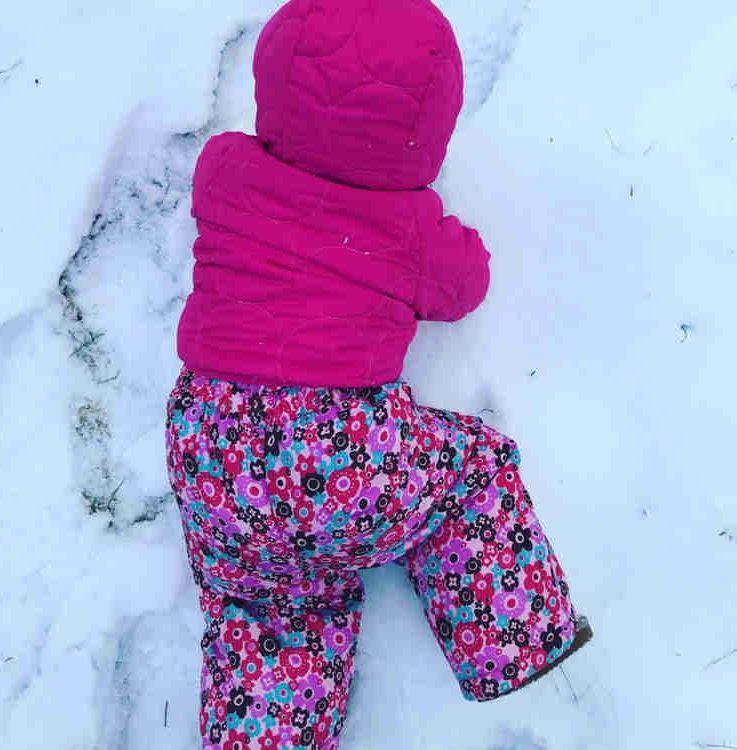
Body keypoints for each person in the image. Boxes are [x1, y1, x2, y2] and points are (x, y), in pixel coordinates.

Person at [165, 1, 592, 747]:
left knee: (270, 611)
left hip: (213, 451)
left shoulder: (223, 174)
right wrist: (440, 231)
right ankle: (514, 636)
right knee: (468, 476)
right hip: (344, 456)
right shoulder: (407, 231)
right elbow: (463, 287)